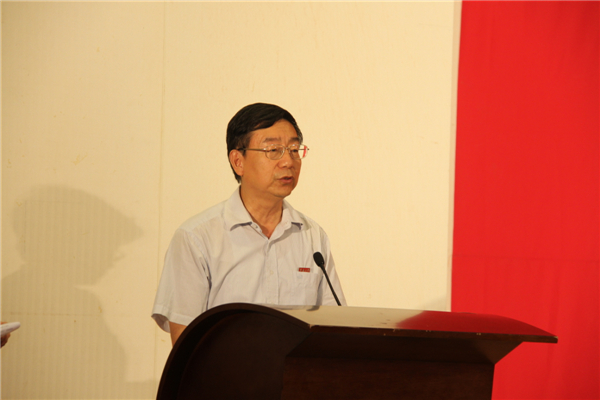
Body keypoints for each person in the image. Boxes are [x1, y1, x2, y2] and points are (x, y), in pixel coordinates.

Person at [152, 103, 346, 345]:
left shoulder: (312, 236)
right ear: (238, 161)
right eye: (274, 150)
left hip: (297, 370)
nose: (288, 161)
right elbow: (185, 343)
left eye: (294, 149)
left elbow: (333, 328)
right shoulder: (197, 238)